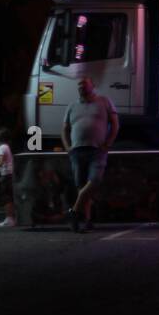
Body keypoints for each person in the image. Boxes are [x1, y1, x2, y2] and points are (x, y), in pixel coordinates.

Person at [61, 75, 119, 233]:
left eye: (84, 84)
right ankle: (86, 220)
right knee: (81, 186)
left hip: (97, 150)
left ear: (93, 86)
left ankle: (73, 212)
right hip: (77, 150)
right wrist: (68, 147)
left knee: (94, 180)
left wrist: (108, 143)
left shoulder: (104, 101)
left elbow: (115, 124)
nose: (81, 87)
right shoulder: (72, 105)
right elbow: (65, 128)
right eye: (79, 85)